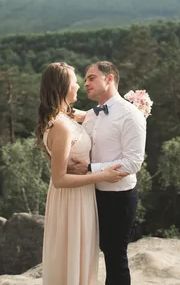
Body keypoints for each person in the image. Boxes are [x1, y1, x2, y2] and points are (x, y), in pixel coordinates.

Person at [36, 62, 128, 285]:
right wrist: (102, 175)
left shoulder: (65, 117)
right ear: (62, 87)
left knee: (79, 257)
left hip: (79, 196)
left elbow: (95, 116)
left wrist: (132, 110)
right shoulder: (62, 126)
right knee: (74, 257)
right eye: (75, 80)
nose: (79, 85)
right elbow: (59, 179)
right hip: (71, 199)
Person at [69, 60, 147, 285]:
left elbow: (133, 163)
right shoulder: (92, 115)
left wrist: (90, 169)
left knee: (115, 256)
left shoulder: (131, 115)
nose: (86, 84)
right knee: (98, 250)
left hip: (120, 197)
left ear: (110, 78)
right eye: (84, 81)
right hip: (91, 193)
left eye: (91, 78)